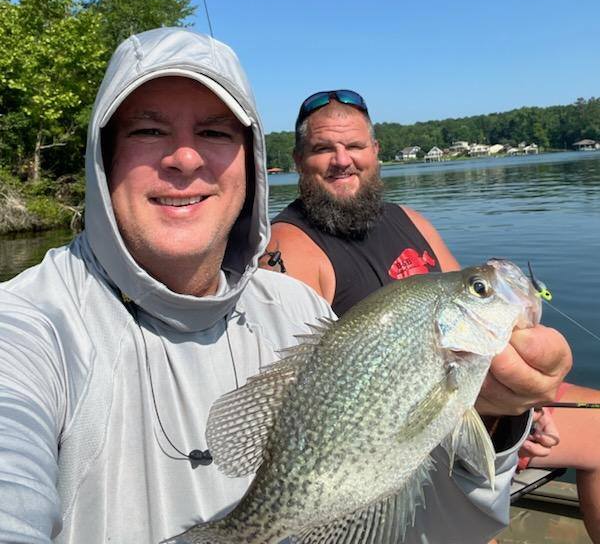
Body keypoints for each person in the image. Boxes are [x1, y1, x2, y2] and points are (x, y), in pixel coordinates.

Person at [0, 29, 336, 543]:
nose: (185, 158)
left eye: (216, 133)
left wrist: (497, 421)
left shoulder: (300, 314)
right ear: (104, 158)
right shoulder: (27, 328)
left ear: (250, 164)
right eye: (150, 131)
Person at [261, 88, 600, 542]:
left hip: (465, 402)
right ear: (300, 159)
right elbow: (294, 403)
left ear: (375, 153)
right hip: (390, 439)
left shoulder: (410, 220)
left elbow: (475, 321)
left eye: (355, 146)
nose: (342, 160)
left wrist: (521, 409)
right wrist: (501, 418)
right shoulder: (290, 250)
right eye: (324, 149)